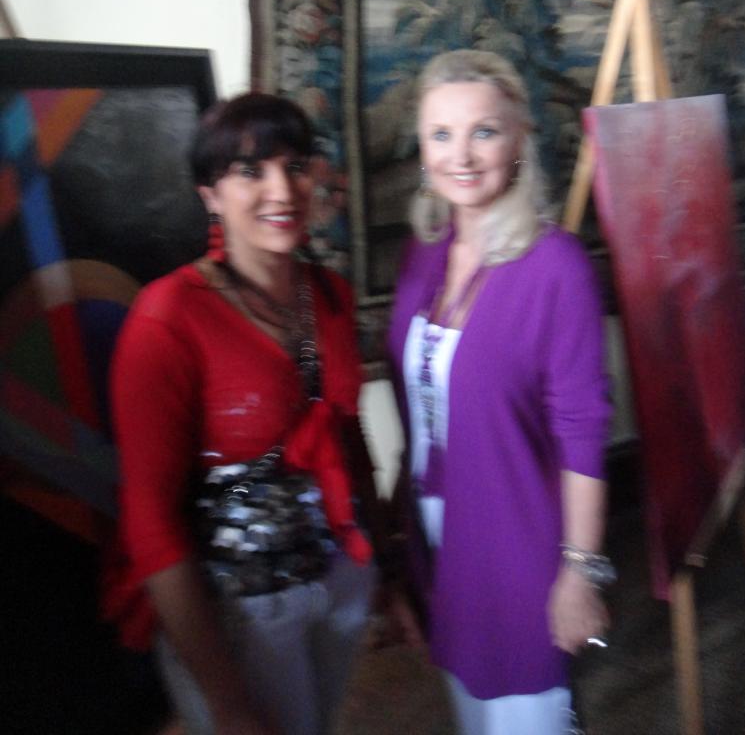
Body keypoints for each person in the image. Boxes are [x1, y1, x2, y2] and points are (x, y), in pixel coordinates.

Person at [106, 92, 377, 735]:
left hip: (338, 580)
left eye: (295, 165)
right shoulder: (168, 320)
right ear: (210, 195)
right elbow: (151, 521)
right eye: (251, 171)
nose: (283, 190)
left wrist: (384, 565)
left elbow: (347, 434)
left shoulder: (329, 295)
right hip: (239, 610)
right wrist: (226, 700)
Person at [386, 50, 613, 735]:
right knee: (470, 709)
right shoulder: (424, 252)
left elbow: (582, 431)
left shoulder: (557, 267)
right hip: (437, 531)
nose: (460, 155)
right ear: (423, 149)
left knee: (525, 714)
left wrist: (580, 574)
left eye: (483, 131)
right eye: (441, 134)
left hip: (515, 538)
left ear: (519, 140)